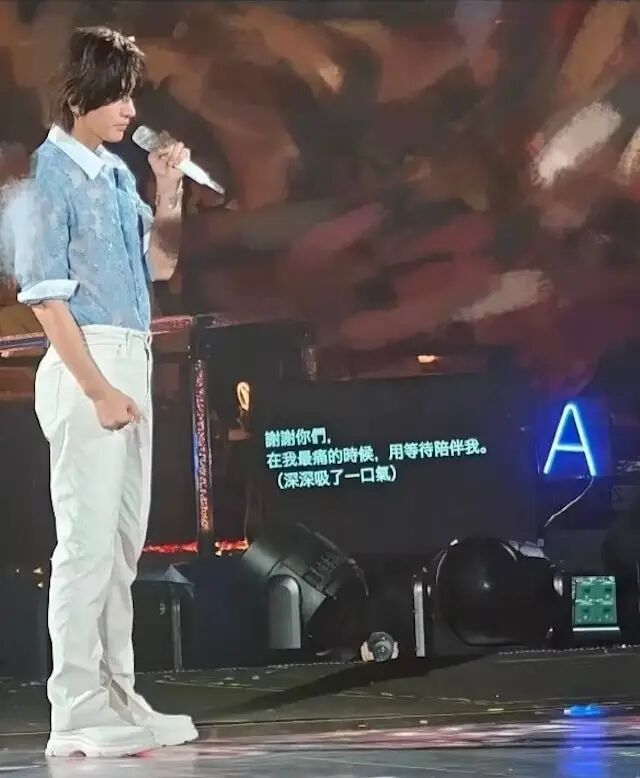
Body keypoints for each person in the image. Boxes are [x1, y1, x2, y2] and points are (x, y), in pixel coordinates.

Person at [7, 26, 198, 757]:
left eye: (131, 95)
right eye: (117, 95)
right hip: (87, 364)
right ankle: (75, 709)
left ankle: (119, 695)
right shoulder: (47, 179)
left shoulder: (116, 175)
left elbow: (160, 265)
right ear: (78, 94)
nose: (129, 109)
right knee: (85, 547)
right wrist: (97, 391)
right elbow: (45, 299)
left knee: (121, 550)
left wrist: (169, 190)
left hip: (131, 356)